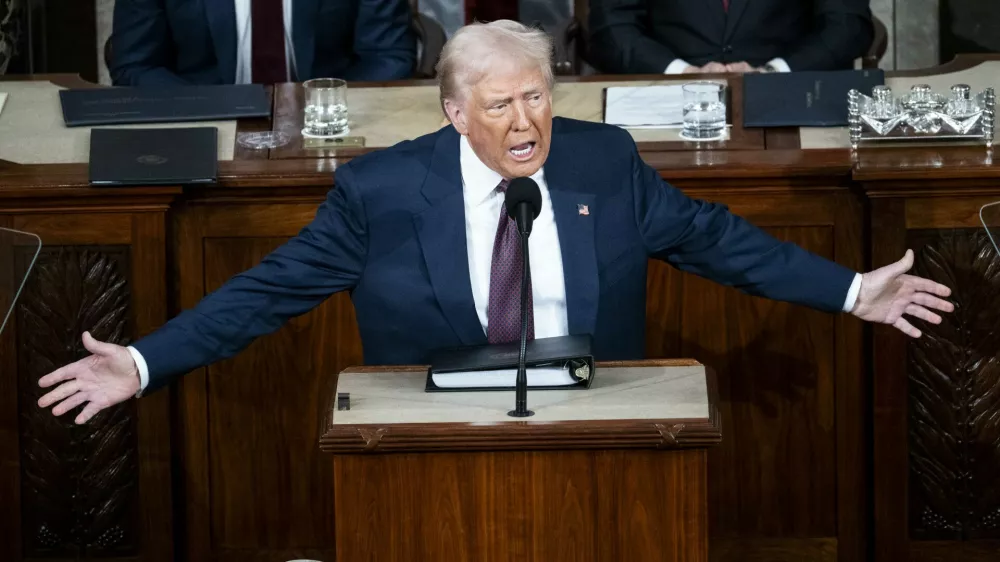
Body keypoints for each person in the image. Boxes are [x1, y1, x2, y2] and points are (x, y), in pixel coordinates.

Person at [39, 20, 951, 424]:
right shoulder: (381, 191)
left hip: (598, 418)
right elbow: (268, 291)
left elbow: (715, 239)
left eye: (537, 98)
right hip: (435, 427)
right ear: (453, 113)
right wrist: (146, 359)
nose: (526, 125)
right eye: (500, 105)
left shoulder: (602, 160)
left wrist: (851, 290)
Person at [108, 0, 416, 86]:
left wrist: (327, 107)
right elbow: (136, 64)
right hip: (200, 133)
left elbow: (389, 56)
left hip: (331, 129)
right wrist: (203, 109)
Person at [586, 0, 875, 74]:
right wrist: (680, 72)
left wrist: (774, 73)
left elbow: (847, 26)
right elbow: (610, 28)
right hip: (665, 90)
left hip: (787, 89)